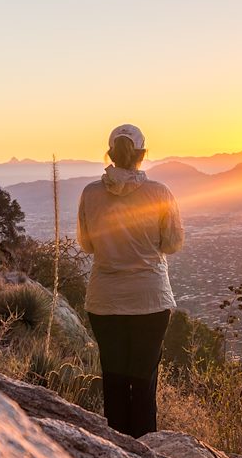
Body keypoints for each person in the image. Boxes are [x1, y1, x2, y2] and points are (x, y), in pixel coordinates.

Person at [77, 124, 184, 438]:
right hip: (149, 300)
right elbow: (172, 243)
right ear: (143, 154)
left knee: (113, 381)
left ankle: (115, 450)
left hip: (105, 301)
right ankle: (144, 454)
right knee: (143, 384)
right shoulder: (159, 193)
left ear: (110, 153)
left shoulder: (90, 194)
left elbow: (87, 244)